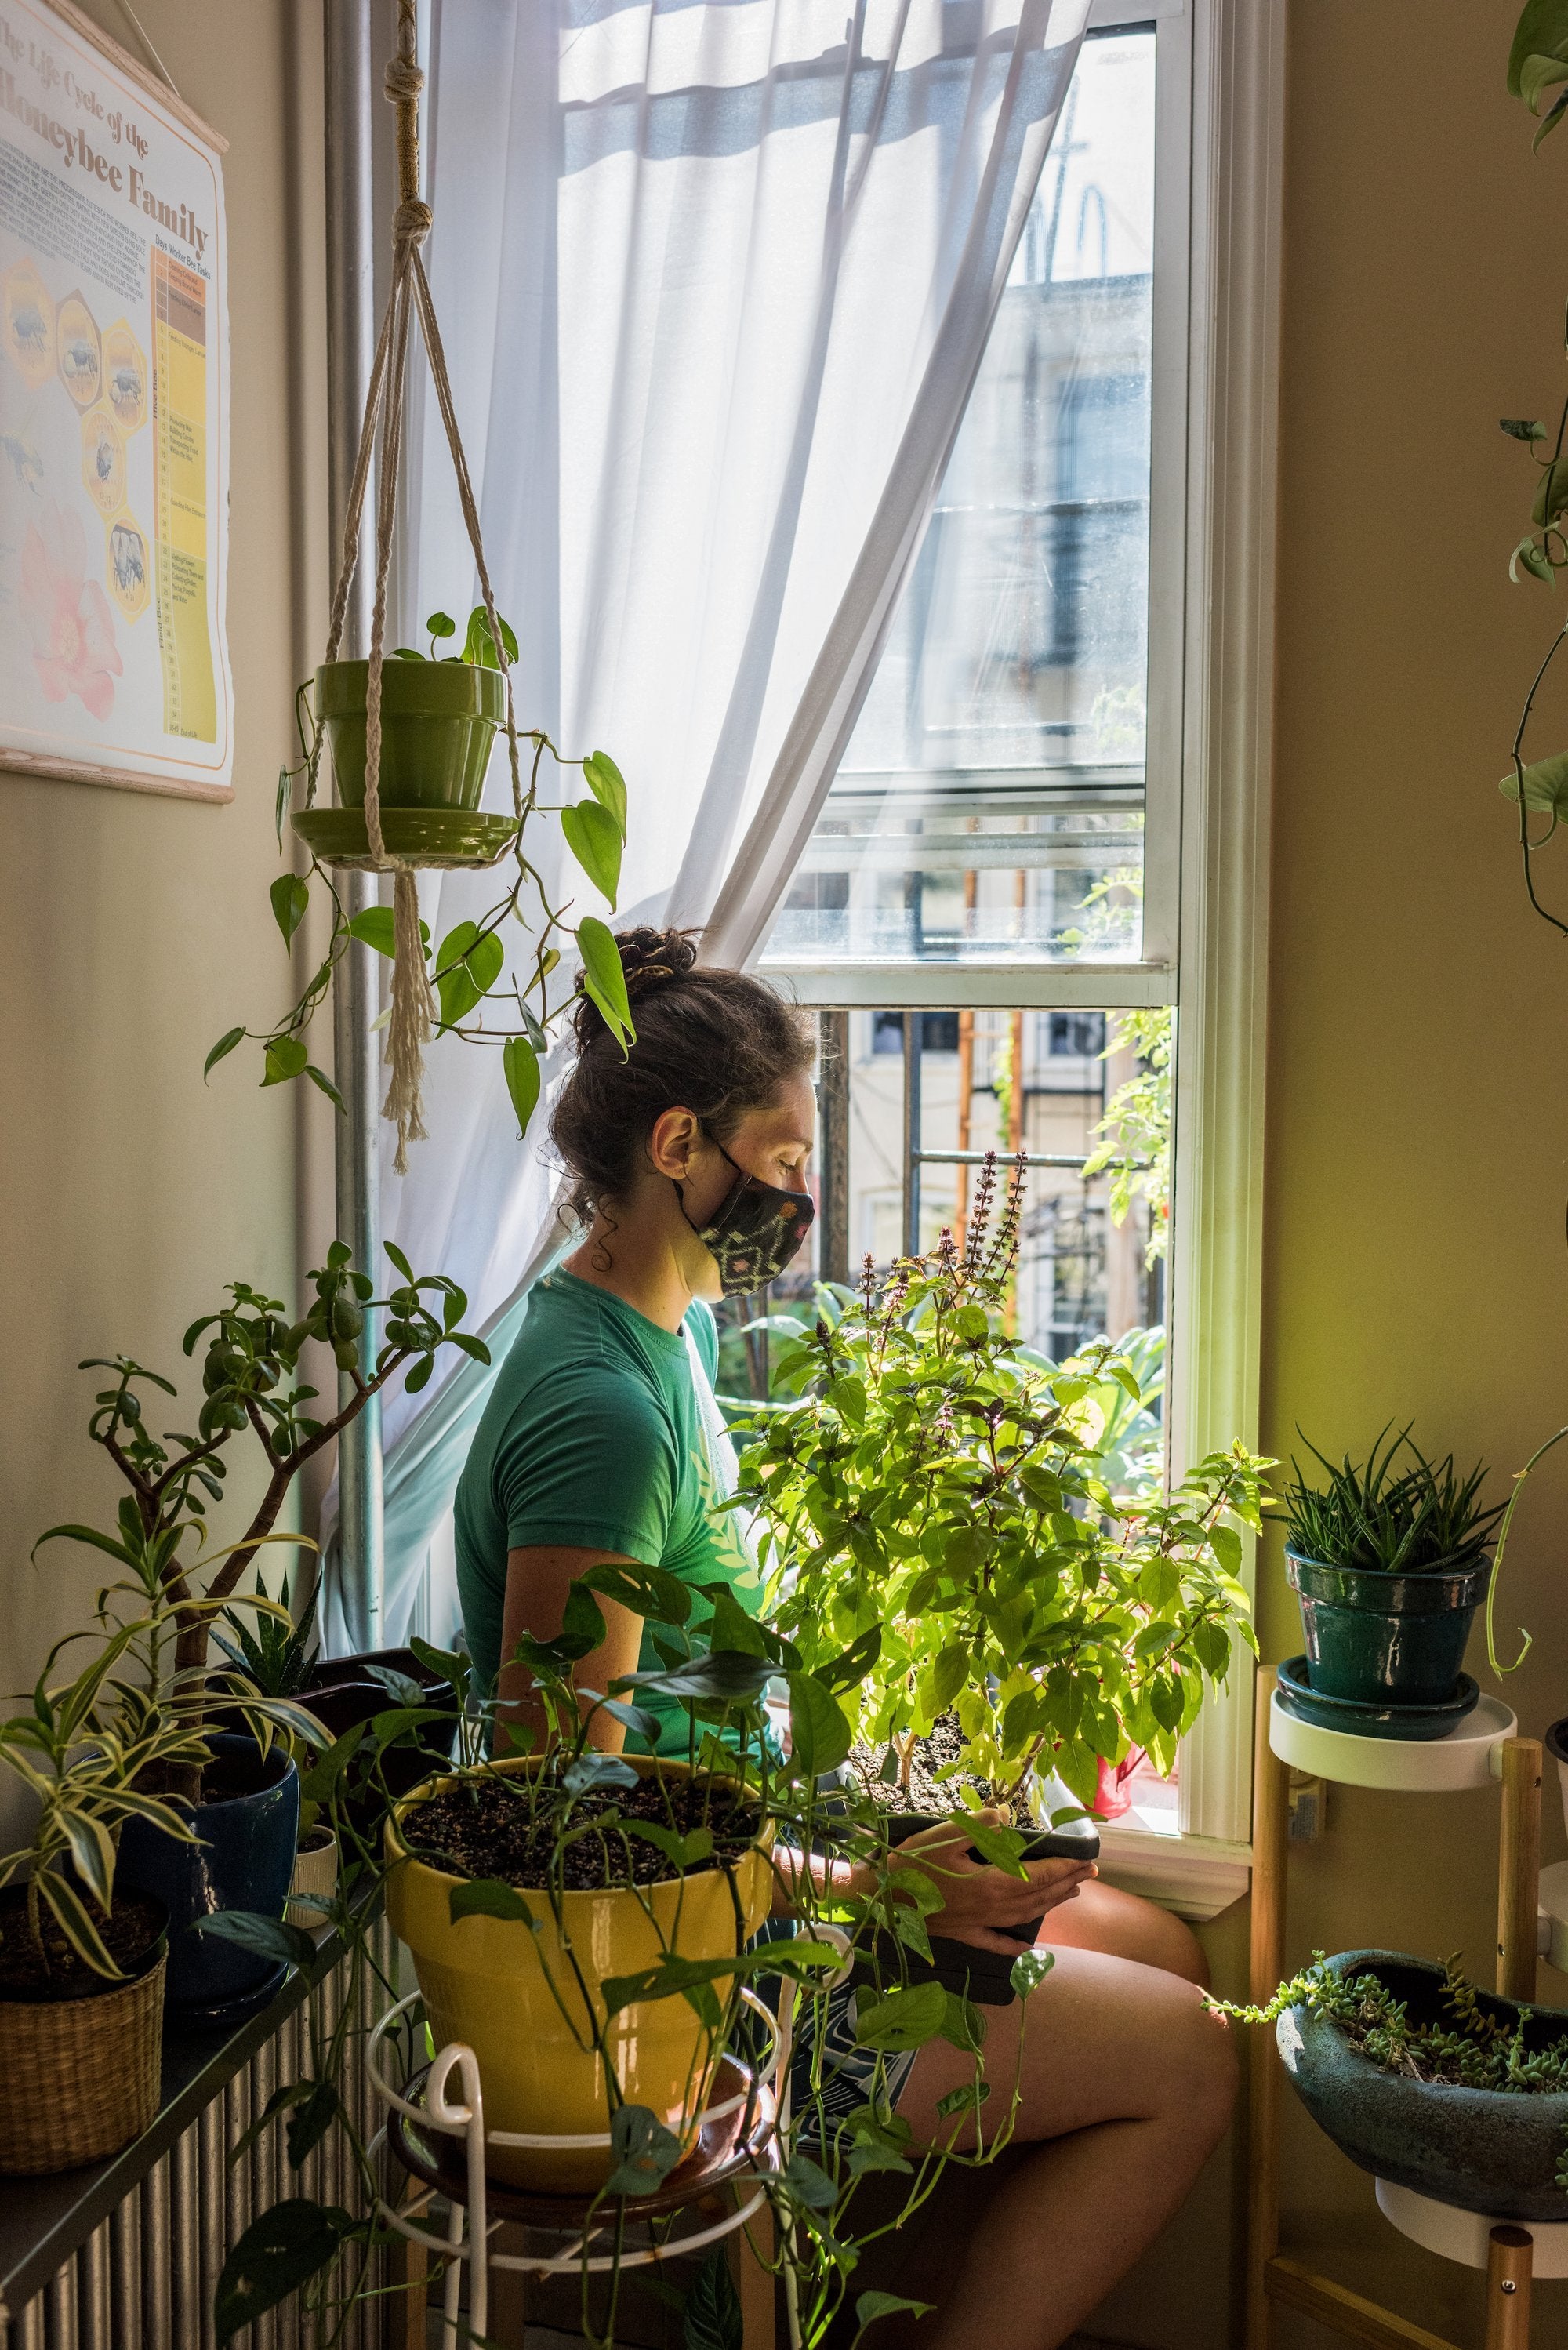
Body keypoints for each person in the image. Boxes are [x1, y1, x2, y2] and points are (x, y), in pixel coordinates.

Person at [455, 928, 1236, 2350]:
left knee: (1167, 1951)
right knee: (1186, 2059)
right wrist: (873, 1890)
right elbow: (565, 1819)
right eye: (786, 1154)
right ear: (681, 1142)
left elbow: (685, 1687)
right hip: (697, 1984)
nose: (804, 1193)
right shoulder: (604, 1417)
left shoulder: (663, 1334)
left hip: (761, 1871)